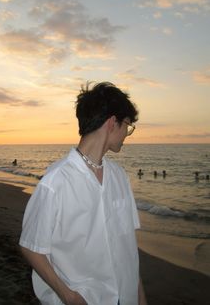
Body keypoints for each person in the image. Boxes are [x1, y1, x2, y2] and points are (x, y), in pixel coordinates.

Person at [19, 82, 147, 305]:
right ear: (111, 122)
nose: (128, 132)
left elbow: (127, 249)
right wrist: (68, 296)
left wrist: (140, 299)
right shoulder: (56, 181)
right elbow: (30, 246)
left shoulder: (119, 176)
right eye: (127, 124)